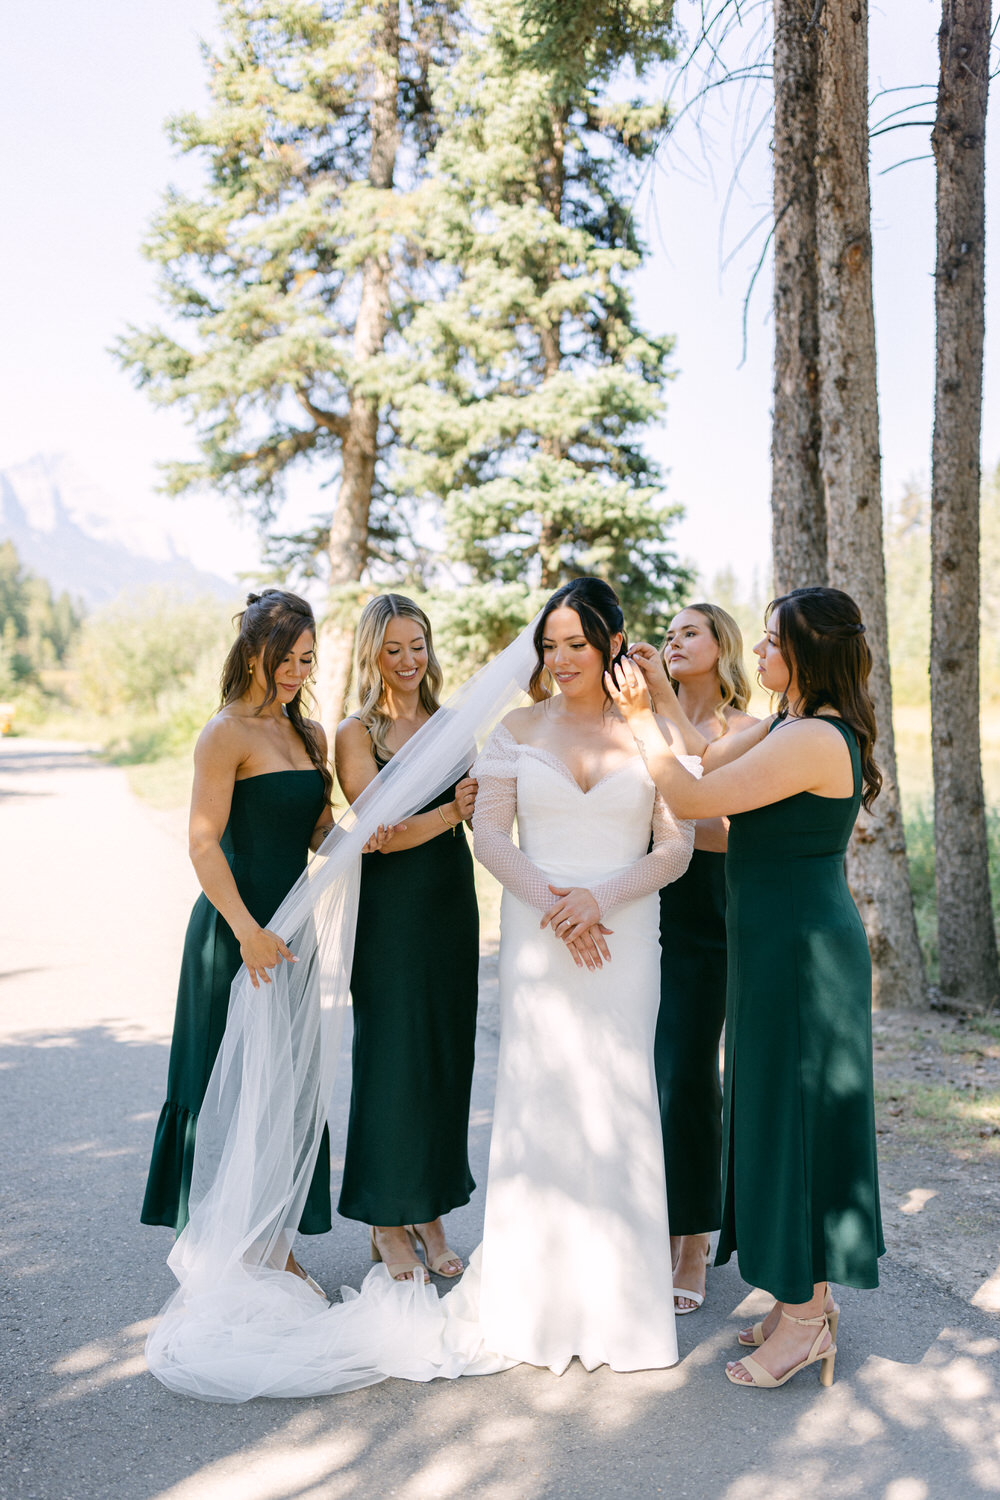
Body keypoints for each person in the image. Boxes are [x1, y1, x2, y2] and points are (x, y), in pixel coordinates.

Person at [608, 586, 884, 1390]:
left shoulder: (816, 739)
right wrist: (658, 697)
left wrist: (633, 722)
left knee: (797, 1121)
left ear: (804, 654)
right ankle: (801, 1298)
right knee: (771, 1113)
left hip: (803, 954)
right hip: (771, 945)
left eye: (770, 643)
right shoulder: (786, 725)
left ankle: (805, 1323)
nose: (756, 654)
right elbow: (702, 759)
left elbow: (689, 799)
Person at [467, 577, 697, 1372]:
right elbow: (489, 837)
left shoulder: (647, 730)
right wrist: (555, 904)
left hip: (625, 931)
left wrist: (600, 898)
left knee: (619, 1094)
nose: (560, 659)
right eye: (550, 645)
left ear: (609, 646)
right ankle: (534, 1308)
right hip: (540, 935)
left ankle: (620, 1313)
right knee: (544, 1095)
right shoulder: (516, 728)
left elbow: (677, 846)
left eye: (576, 645)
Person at [141, 589, 391, 1288]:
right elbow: (202, 844)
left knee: (285, 1088)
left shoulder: (309, 735)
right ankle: (232, 1235)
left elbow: (312, 830)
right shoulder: (223, 733)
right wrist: (247, 931)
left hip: (293, 932)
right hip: (235, 933)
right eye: (285, 657)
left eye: (307, 659)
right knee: (226, 1086)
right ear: (253, 653)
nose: (296, 671)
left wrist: (358, 840)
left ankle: (269, 1239)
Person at [335, 596, 480, 1284]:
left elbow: (486, 816)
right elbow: (378, 836)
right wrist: (452, 810)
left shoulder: (454, 725)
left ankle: (430, 1212)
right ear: (372, 655)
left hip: (452, 907)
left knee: (444, 1059)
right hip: (390, 917)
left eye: (416, 644)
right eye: (392, 648)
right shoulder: (355, 734)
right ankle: (385, 1222)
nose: (408, 660)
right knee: (392, 1060)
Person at [629, 605, 756, 1315]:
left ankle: (693, 1241)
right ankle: (656, 1219)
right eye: (669, 633)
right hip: (649, 895)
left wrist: (663, 706)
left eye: (689, 633)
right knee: (656, 1067)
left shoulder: (744, 730)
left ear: (720, 648)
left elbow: (726, 817)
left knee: (695, 1073)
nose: (674, 641)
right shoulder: (638, 718)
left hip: (716, 904)